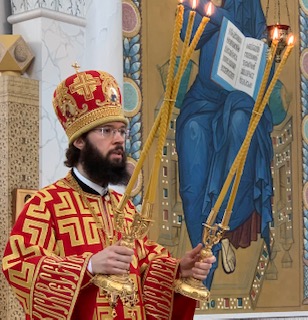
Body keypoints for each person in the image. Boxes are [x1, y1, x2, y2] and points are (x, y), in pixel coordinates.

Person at [2, 69, 216, 320]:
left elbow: (144, 267)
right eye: (106, 131)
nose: (119, 140)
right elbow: (19, 266)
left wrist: (179, 268)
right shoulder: (45, 205)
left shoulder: (123, 208)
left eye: (121, 131)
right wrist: (89, 266)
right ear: (79, 141)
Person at [176, 0, 273, 288]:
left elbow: (262, 43)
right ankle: (206, 253)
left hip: (240, 97)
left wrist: (265, 46)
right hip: (203, 101)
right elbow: (187, 35)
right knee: (193, 135)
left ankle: (221, 228)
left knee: (240, 124)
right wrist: (215, 12)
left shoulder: (248, 2)